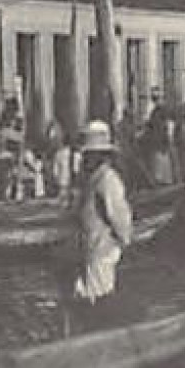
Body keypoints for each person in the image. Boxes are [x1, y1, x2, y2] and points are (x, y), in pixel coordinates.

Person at [72, 120, 133, 321]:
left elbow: (119, 215)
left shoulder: (108, 179)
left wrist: (125, 240)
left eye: (90, 154)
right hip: (91, 249)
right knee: (91, 296)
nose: (86, 158)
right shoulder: (92, 179)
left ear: (102, 155)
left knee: (101, 298)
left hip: (103, 250)